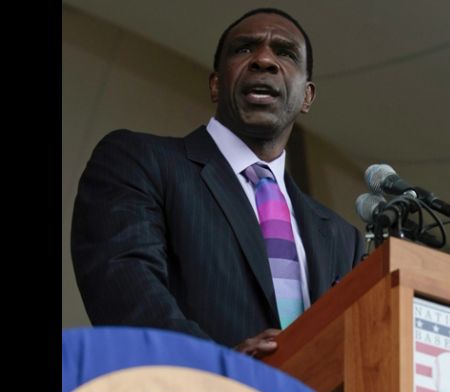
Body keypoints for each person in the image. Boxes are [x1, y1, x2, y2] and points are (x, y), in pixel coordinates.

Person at [71, 8, 365, 358]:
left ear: (307, 97)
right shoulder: (139, 160)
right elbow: (125, 288)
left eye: (285, 53)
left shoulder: (343, 238)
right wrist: (221, 370)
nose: (264, 60)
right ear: (215, 84)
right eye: (244, 49)